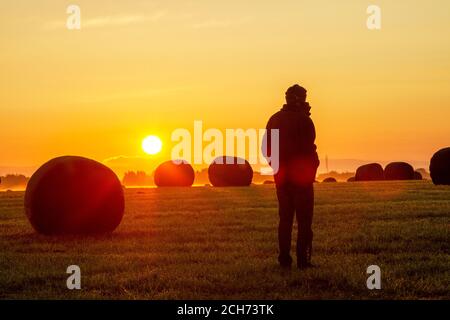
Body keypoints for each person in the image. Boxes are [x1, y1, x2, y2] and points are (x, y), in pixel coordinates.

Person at [262, 84, 320, 269]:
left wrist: (276, 167)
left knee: (285, 220)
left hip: (282, 179)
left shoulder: (274, 119)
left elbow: (266, 149)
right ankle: (304, 261)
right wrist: (310, 171)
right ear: (300, 99)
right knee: (304, 222)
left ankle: (284, 260)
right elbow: (309, 150)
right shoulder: (304, 121)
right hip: (301, 181)